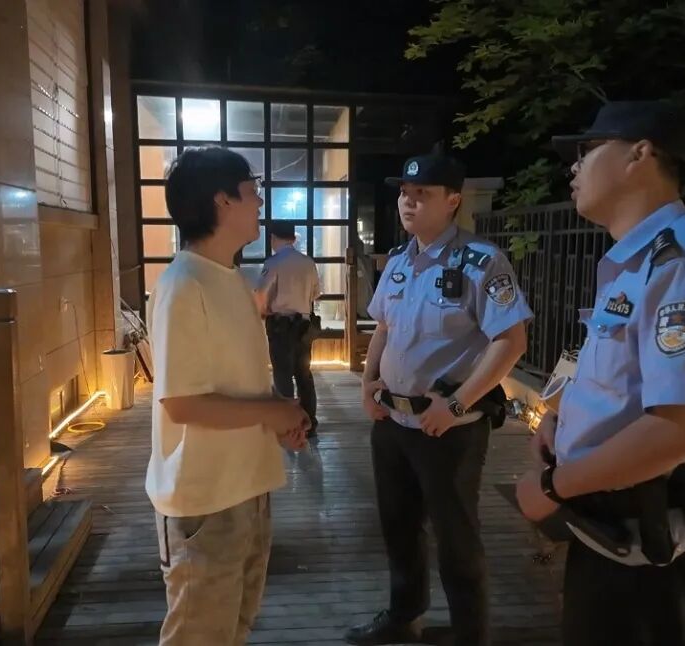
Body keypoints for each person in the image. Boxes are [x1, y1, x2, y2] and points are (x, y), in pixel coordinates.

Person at [515, 101, 685, 646]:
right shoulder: (634, 261)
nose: (574, 167)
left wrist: (551, 486)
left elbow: (682, 427)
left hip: (649, 550)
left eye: (586, 150)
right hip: (610, 533)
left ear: (639, 154)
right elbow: (613, 374)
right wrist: (558, 418)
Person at [346, 153, 532, 646]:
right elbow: (383, 327)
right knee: (398, 526)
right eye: (405, 193)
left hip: (449, 427)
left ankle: (471, 634)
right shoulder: (399, 259)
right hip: (392, 421)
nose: (408, 202)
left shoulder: (481, 260)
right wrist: (367, 384)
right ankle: (403, 616)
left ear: (453, 200)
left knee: (456, 537)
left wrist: (455, 406)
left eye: (422, 194)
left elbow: (511, 340)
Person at [145, 146, 311, 646]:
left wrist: (277, 418)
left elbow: (236, 383)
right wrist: (272, 411)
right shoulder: (183, 285)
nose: (259, 202)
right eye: (252, 191)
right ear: (223, 201)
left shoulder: (231, 279)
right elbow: (182, 404)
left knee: (232, 630)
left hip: (247, 487)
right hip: (206, 499)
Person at [256, 221, 322, 437]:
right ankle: (309, 422)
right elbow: (316, 293)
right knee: (304, 374)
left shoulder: (274, 263)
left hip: (280, 326)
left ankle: (287, 424)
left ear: (273, 238)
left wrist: (264, 311)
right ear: (293, 238)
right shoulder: (308, 262)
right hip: (304, 326)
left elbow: (261, 294)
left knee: (283, 375)